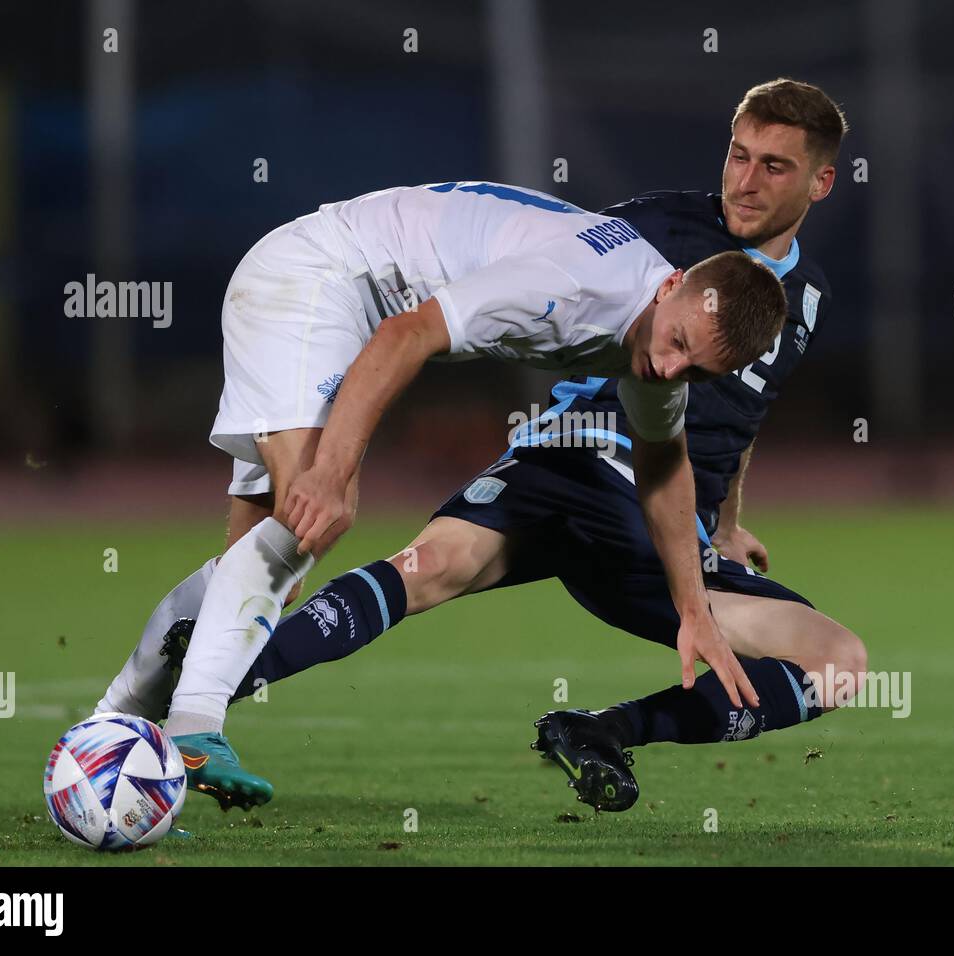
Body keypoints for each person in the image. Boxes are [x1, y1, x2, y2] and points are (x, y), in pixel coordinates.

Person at [97, 179, 787, 809]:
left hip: (343, 301)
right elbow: (409, 331)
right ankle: (193, 728)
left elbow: (665, 464)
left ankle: (104, 732)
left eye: (696, 368)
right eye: (675, 344)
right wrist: (333, 471)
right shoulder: (578, 284)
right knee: (312, 513)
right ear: (670, 287)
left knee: (260, 565)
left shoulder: (661, 346)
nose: (668, 368)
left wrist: (692, 609)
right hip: (319, 278)